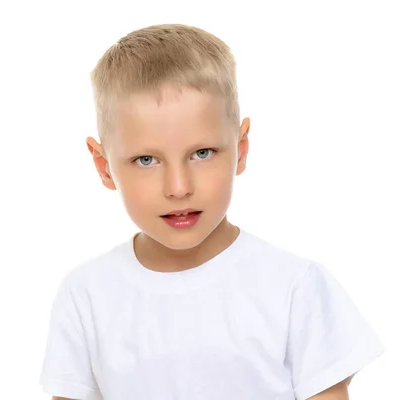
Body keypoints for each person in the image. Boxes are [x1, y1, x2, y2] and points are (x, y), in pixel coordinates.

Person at [39, 23, 386, 400]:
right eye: (146, 160)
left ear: (241, 147)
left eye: (202, 153)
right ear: (104, 166)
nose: (178, 187)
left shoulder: (294, 287)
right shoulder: (86, 295)